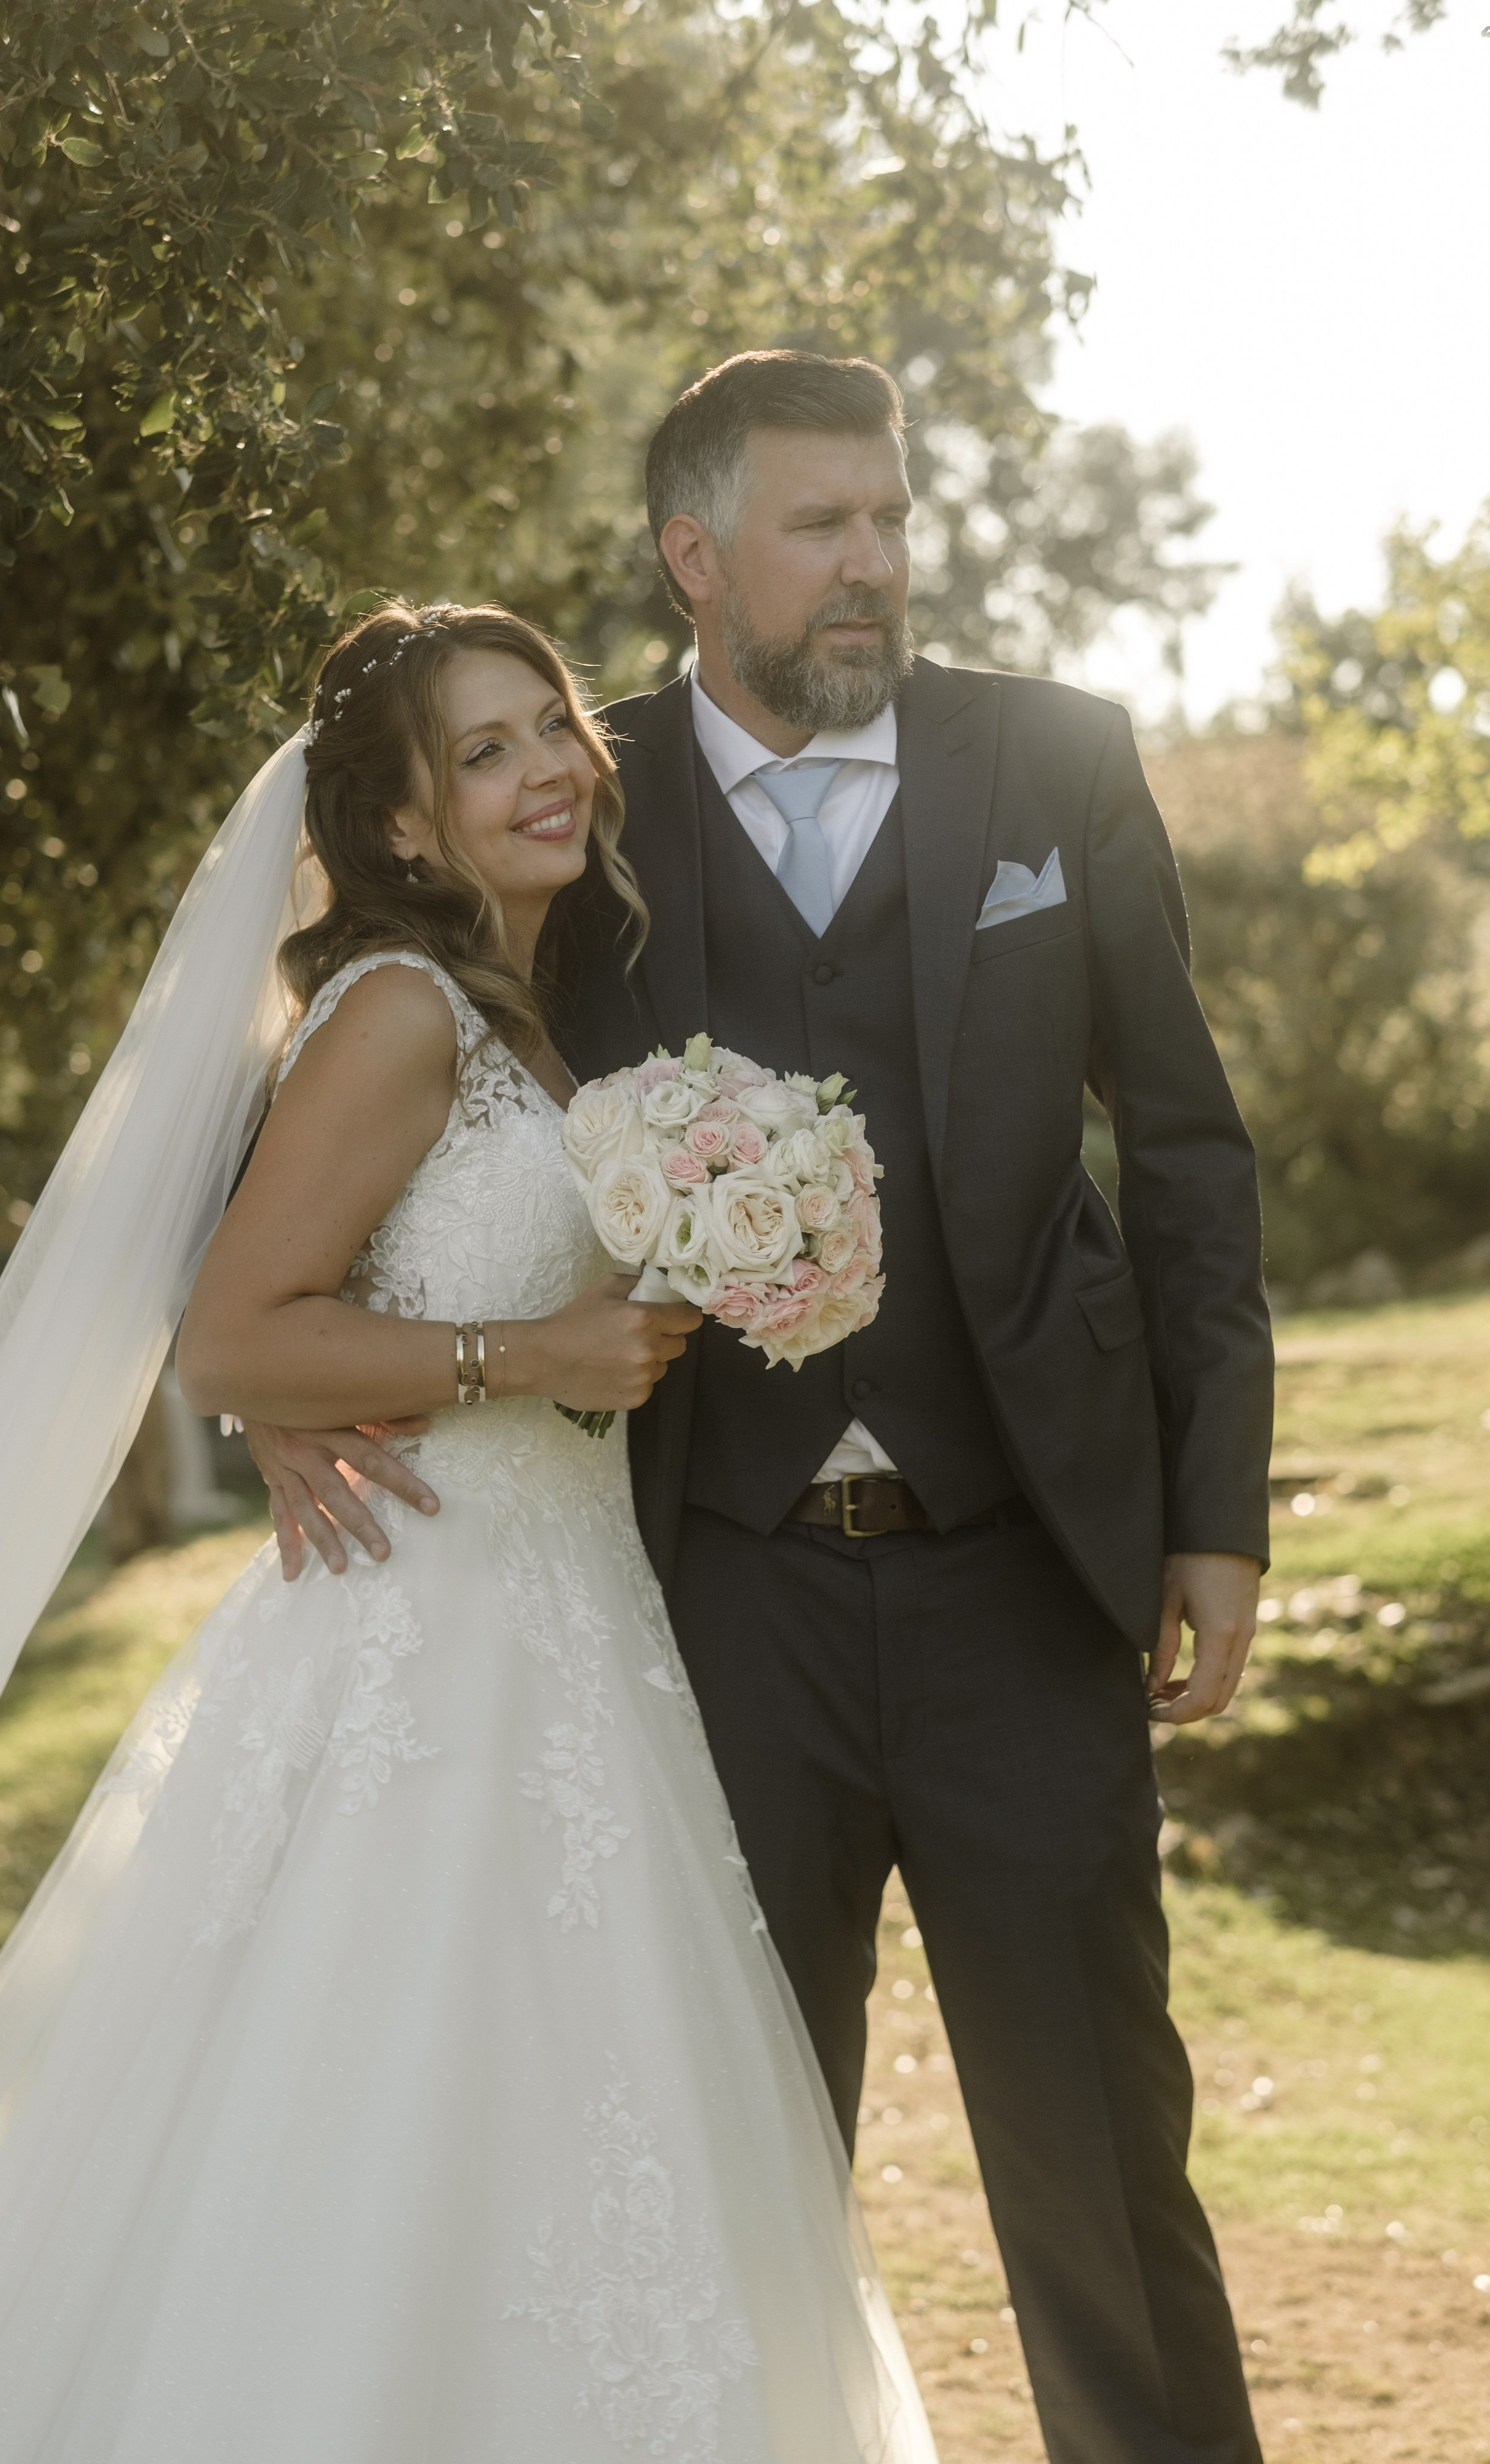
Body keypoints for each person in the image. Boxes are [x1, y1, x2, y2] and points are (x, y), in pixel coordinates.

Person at [252, 354, 1276, 2464]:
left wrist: (1217, 1509)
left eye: (892, 517)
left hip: (1028, 1574)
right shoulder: (570, 792)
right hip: (704, 1595)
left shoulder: (1057, 759)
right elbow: (359, 1072)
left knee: (1103, 2169)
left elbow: (1184, 1145)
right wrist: (290, 1379)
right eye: (823, 526)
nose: (873, 562)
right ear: (695, 557)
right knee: (724, 2170)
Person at [0, 603, 937, 2461]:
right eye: (484, 753)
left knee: (576, 2123)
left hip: (569, 1627)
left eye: (553, 726)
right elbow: (229, 1337)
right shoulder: (401, 1010)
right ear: (407, 824)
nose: (548, 771)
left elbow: (315, 1292)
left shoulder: (528, 1012)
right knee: (394, 2106)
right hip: (423, 1640)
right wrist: (533, 1352)